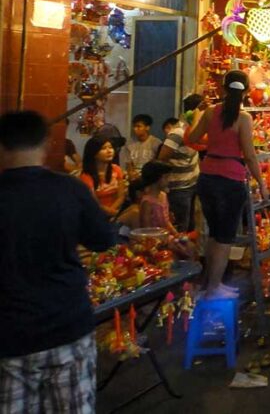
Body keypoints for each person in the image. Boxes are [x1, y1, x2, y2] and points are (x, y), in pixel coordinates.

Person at [0, 111, 117, 414]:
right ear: (47, 144)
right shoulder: (70, 189)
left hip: (11, 337)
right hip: (68, 326)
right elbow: (103, 239)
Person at [186, 70, 269, 299]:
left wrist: (196, 116)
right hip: (230, 181)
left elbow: (192, 138)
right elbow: (250, 156)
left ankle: (210, 285)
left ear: (223, 88)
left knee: (215, 234)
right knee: (224, 239)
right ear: (246, 92)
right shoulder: (243, 118)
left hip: (207, 178)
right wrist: (261, 183)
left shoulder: (211, 112)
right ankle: (213, 288)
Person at [158, 111, 201, 231]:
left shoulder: (194, 132)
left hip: (191, 184)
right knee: (180, 225)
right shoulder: (178, 133)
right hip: (178, 187)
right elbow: (162, 158)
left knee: (190, 224)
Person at [80, 135, 127, 218]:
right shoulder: (86, 176)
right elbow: (94, 203)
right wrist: (110, 213)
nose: (109, 151)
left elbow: (121, 196)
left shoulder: (117, 169)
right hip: (97, 214)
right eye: (104, 148)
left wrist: (113, 211)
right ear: (94, 153)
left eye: (110, 147)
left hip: (116, 211)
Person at [121, 114, 162, 182]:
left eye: (139, 126)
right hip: (134, 178)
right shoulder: (129, 143)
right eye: (134, 126)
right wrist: (131, 174)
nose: (135, 129)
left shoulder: (156, 143)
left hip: (150, 178)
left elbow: (158, 164)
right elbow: (128, 163)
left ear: (147, 127)